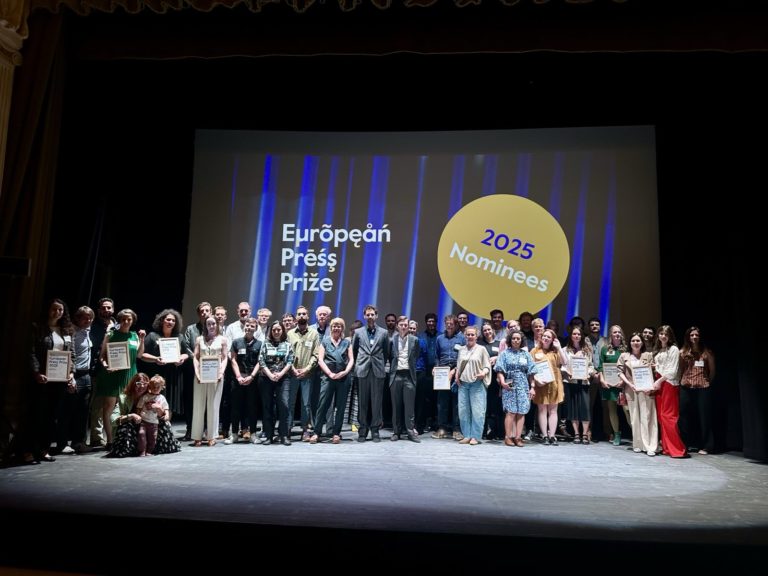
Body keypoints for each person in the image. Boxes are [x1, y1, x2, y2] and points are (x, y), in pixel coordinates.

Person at [24, 298, 75, 464]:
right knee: (36, 415)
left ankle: (44, 450)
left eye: (60, 310)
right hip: (41, 379)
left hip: (59, 379)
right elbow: (31, 352)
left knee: (52, 417)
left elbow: (72, 355)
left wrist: (71, 373)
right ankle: (28, 451)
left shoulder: (67, 331)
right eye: (54, 309)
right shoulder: (37, 328)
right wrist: (36, 372)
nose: (57, 312)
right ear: (48, 309)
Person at [96, 308, 145, 451]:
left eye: (129, 319)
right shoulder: (110, 334)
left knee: (127, 407)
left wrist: (142, 339)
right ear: (119, 320)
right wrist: (106, 366)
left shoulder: (134, 336)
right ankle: (110, 440)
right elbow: (102, 356)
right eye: (123, 319)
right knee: (109, 407)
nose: (126, 321)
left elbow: (139, 355)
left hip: (130, 375)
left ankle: (124, 438)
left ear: (132, 321)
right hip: (112, 375)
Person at [109, 372, 181, 457]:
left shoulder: (154, 396)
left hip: (151, 424)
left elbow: (167, 417)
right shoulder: (124, 398)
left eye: (145, 383)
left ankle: (155, 448)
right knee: (126, 426)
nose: (142, 386)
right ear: (133, 384)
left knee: (165, 424)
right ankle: (131, 449)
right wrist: (131, 416)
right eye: (138, 383)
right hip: (134, 429)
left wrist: (160, 409)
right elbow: (112, 420)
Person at [141, 308, 187, 427]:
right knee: (155, 400)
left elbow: (186, 353)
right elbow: (142, 355)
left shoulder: (179, 337)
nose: (170, 322)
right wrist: (155, 359)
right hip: (156, 374)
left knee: (169, 402)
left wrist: (181, 358)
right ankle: (154, 427)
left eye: (173, 320)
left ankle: (165, 427)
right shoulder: (152, 336)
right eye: (168, 319)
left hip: (173, 375)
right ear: (162, 320)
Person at [351, 305, 389, 442]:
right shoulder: (358, 332)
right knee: (363, 402)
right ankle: (362, 430)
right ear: (364, 316)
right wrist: (359, 365)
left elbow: (386, 352)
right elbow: (354, 351)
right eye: (368, 315)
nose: (370, 317)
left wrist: (379, 364)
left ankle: (375, 430)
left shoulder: (384, 332)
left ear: (376, 316)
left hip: (377, 371)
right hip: (362, 370)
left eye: (372, 314)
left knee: (376, 402)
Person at [313, 317, 354, 444]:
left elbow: (351, 360)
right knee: (322, 405)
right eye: (334, 326)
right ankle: (316, 432)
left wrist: (345, 372)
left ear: (342, 328)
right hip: (328, 377)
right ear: (331, 328)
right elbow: (320, 360)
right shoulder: (325, 341)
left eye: (339, 326)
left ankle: (336, 433)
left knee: (341, 407)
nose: (336, 328)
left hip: (343, 378)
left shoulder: (347, 343)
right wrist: (330, 373)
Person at [494, 329, 536, 447]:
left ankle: (518, 437)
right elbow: (499, 370)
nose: (516, 340)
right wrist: (503, 382)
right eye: (513, 338)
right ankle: (508, 437)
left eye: (518, 338)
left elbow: (531, 372)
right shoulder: (504, 354)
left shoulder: (526, 354)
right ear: (510, 340)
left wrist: (532, 387)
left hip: (523, 384)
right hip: (510, 382)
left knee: (521, 411)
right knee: (511, 411)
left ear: (521, 340)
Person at [618, 332, 657, 456]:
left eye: (638, 340)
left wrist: (653, 367)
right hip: (631, 389)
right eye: (633, 340)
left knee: (648, 417)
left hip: (646, 390)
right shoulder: (624, 356)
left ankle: (650, 446)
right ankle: (638, 444)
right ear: (630, 343)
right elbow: (620, 372)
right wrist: (629, 384)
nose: (635, 343)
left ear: (642, 343)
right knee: (635, 418)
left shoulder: (648, 355)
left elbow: (653, 371)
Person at [678, 326, 715, 454]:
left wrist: (706, 381)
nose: (694, 337)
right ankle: (684, 444)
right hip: (686, 386)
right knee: (683, 416)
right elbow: (681, 369)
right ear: (688, 337)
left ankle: (706, 445)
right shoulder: (683, 352)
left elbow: (712, 371)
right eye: (692, 335)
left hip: (703, 387)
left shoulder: (707, 352)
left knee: (704, 416)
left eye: (696, 335)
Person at [192, 316, 228, 447]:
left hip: (216, 376)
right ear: (205, 326)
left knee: (213, 406)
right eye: (208, 324)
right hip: (201, 376)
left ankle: (212, 436)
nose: (211, 326)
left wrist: (221, 372)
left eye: (213, 324)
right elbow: (195, 357)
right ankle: (197, 436)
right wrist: (197, 373)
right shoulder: (199, 339)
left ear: (217, 324)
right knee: (198, 405)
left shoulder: (222, 339)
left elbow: (225, 358)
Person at [258, 320, 294, 445]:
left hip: (283, 378)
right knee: (268, 407)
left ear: (282, 331)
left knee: (284, 406)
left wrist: (280, 374)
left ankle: (284, 435)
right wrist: (270, 374)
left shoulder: (287, 344)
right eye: (274, 330)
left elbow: (290, 361)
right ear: (271, 331)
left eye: (279, 329)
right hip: (266, 378)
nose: (276, 332)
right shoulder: (265, 344)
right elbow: (261, 360)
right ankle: (269, 436)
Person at [227, 317, 261, 444]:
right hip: (238, 380)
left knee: (252, 407)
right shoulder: (236, 342)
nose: (249, 328)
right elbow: (233, 360)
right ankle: (234, 434)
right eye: (247, 325)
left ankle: (253, 434)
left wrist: (251, 376)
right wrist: (238, 376)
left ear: (255, 328)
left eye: (252, 326)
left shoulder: (260, 344)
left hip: (253, 380)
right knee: (236, 407)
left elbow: (260, 362)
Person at [531, 328, 569, 445]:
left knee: (553, 411)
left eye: (549, 337)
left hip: (555, 384)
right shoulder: (534, 351)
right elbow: (530, 368)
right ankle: (545, 436)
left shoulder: (556, 351)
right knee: (542, 410)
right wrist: (536, 380)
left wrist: (559, 347)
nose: (546, 338)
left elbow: (565, 362)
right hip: (541, 384)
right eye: (544, 336)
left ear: (553, 339)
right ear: (541, 337)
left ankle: (552, 435)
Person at [455, 326, 491, 445]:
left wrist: (483, 373)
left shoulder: (481, 349)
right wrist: (457, 376)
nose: (470, 336)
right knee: (463, 411)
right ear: (465, 336)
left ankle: (475, 436)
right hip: (463, 384)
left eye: (472, 335)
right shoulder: (461, 350)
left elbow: (487, 366)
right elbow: (459, 365)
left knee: (478, 411)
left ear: (476, 336)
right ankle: (467, 435)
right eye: (468, 334)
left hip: (477, 384)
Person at [387, 316, 421, 443]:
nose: (403, 327)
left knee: (409, 406)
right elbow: (389, 356)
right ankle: (396, 432)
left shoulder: (414, 340)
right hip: (396, 375)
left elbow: (416, 355)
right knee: (396, 406)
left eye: (405, 325)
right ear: (397, 326)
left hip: (409, 375)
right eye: (401, 325)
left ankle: (410, 432)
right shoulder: (392, 340)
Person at [563, 326, 595, 444]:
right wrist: (567, 372)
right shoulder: (565, 350)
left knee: (585, 408)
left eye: (579, 334)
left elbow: (591, 366)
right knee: (574, 409)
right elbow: (562, 366)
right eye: (574, 334)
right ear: (571, 336)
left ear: (582, 336)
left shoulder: (587, 350)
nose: (576, 336)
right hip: (571, 382)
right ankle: (576, 434)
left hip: (584, 382)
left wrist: (588, 373)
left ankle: (585, 434)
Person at [136, 375, 169, 456]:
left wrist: (167, 415)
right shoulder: (145, 397)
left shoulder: (162, 398)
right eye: (153, 386)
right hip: (144, 421)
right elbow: (139, 407)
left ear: (162, 387)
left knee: (153, 438)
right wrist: (138, 415)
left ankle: (149, 451)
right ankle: (142, 451)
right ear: (150, 386)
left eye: (158, 387)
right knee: (141, 434)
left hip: (154, 422)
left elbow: (166, 409)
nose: (155, 388)